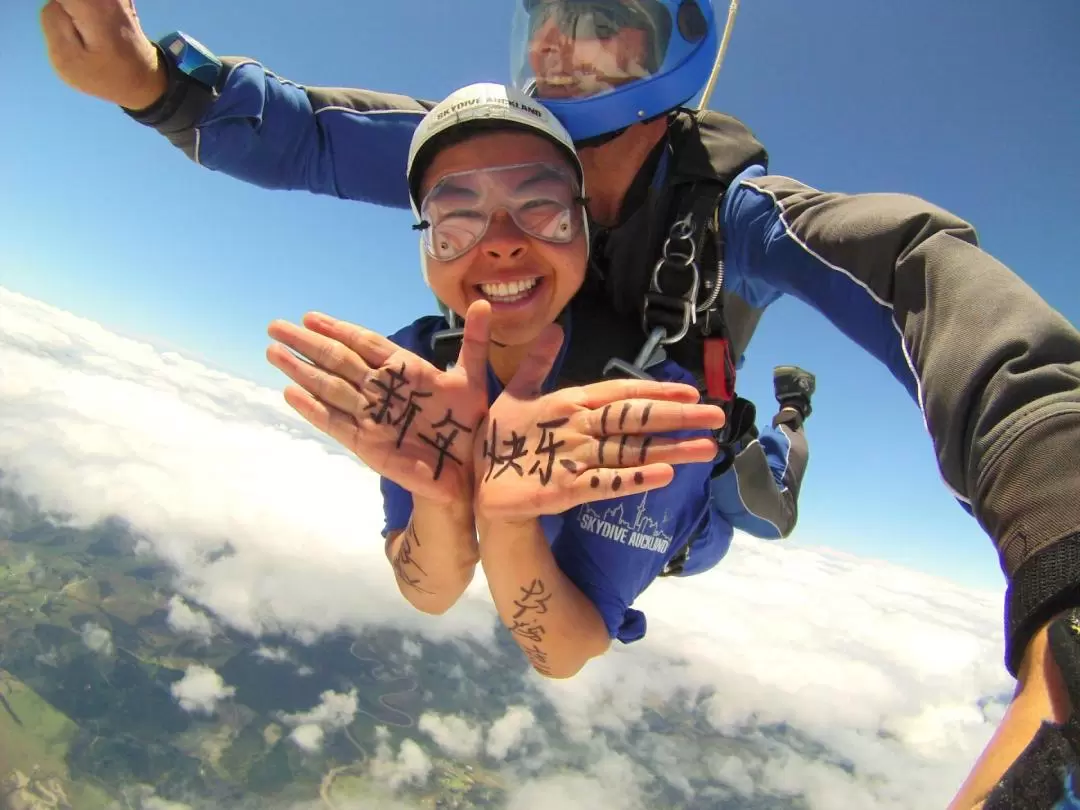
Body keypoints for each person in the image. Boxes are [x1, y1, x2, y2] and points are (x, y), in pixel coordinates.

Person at [39, 0, 1080, 805]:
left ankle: (790, 424)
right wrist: (159, 85)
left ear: (680, 44)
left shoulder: (733, 219)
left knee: (759, 496)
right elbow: (324, 133)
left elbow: (916, 271)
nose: (561, 54)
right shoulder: (500, 157)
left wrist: (1060, 531)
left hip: (677, 467)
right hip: (534, 454)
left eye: (603, 26)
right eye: (546, 21)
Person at [265, 82, 736, 679]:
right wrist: (453, 499)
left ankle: (786, 428)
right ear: (427, 250)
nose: (504, 246)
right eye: (457, 221)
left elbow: (566, 650)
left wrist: (509, 523)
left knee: (755, 500)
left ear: (583, 226)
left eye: (541, 208)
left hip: (690, 531)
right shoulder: (416, 375)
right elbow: (430, 592)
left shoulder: (648, 407)